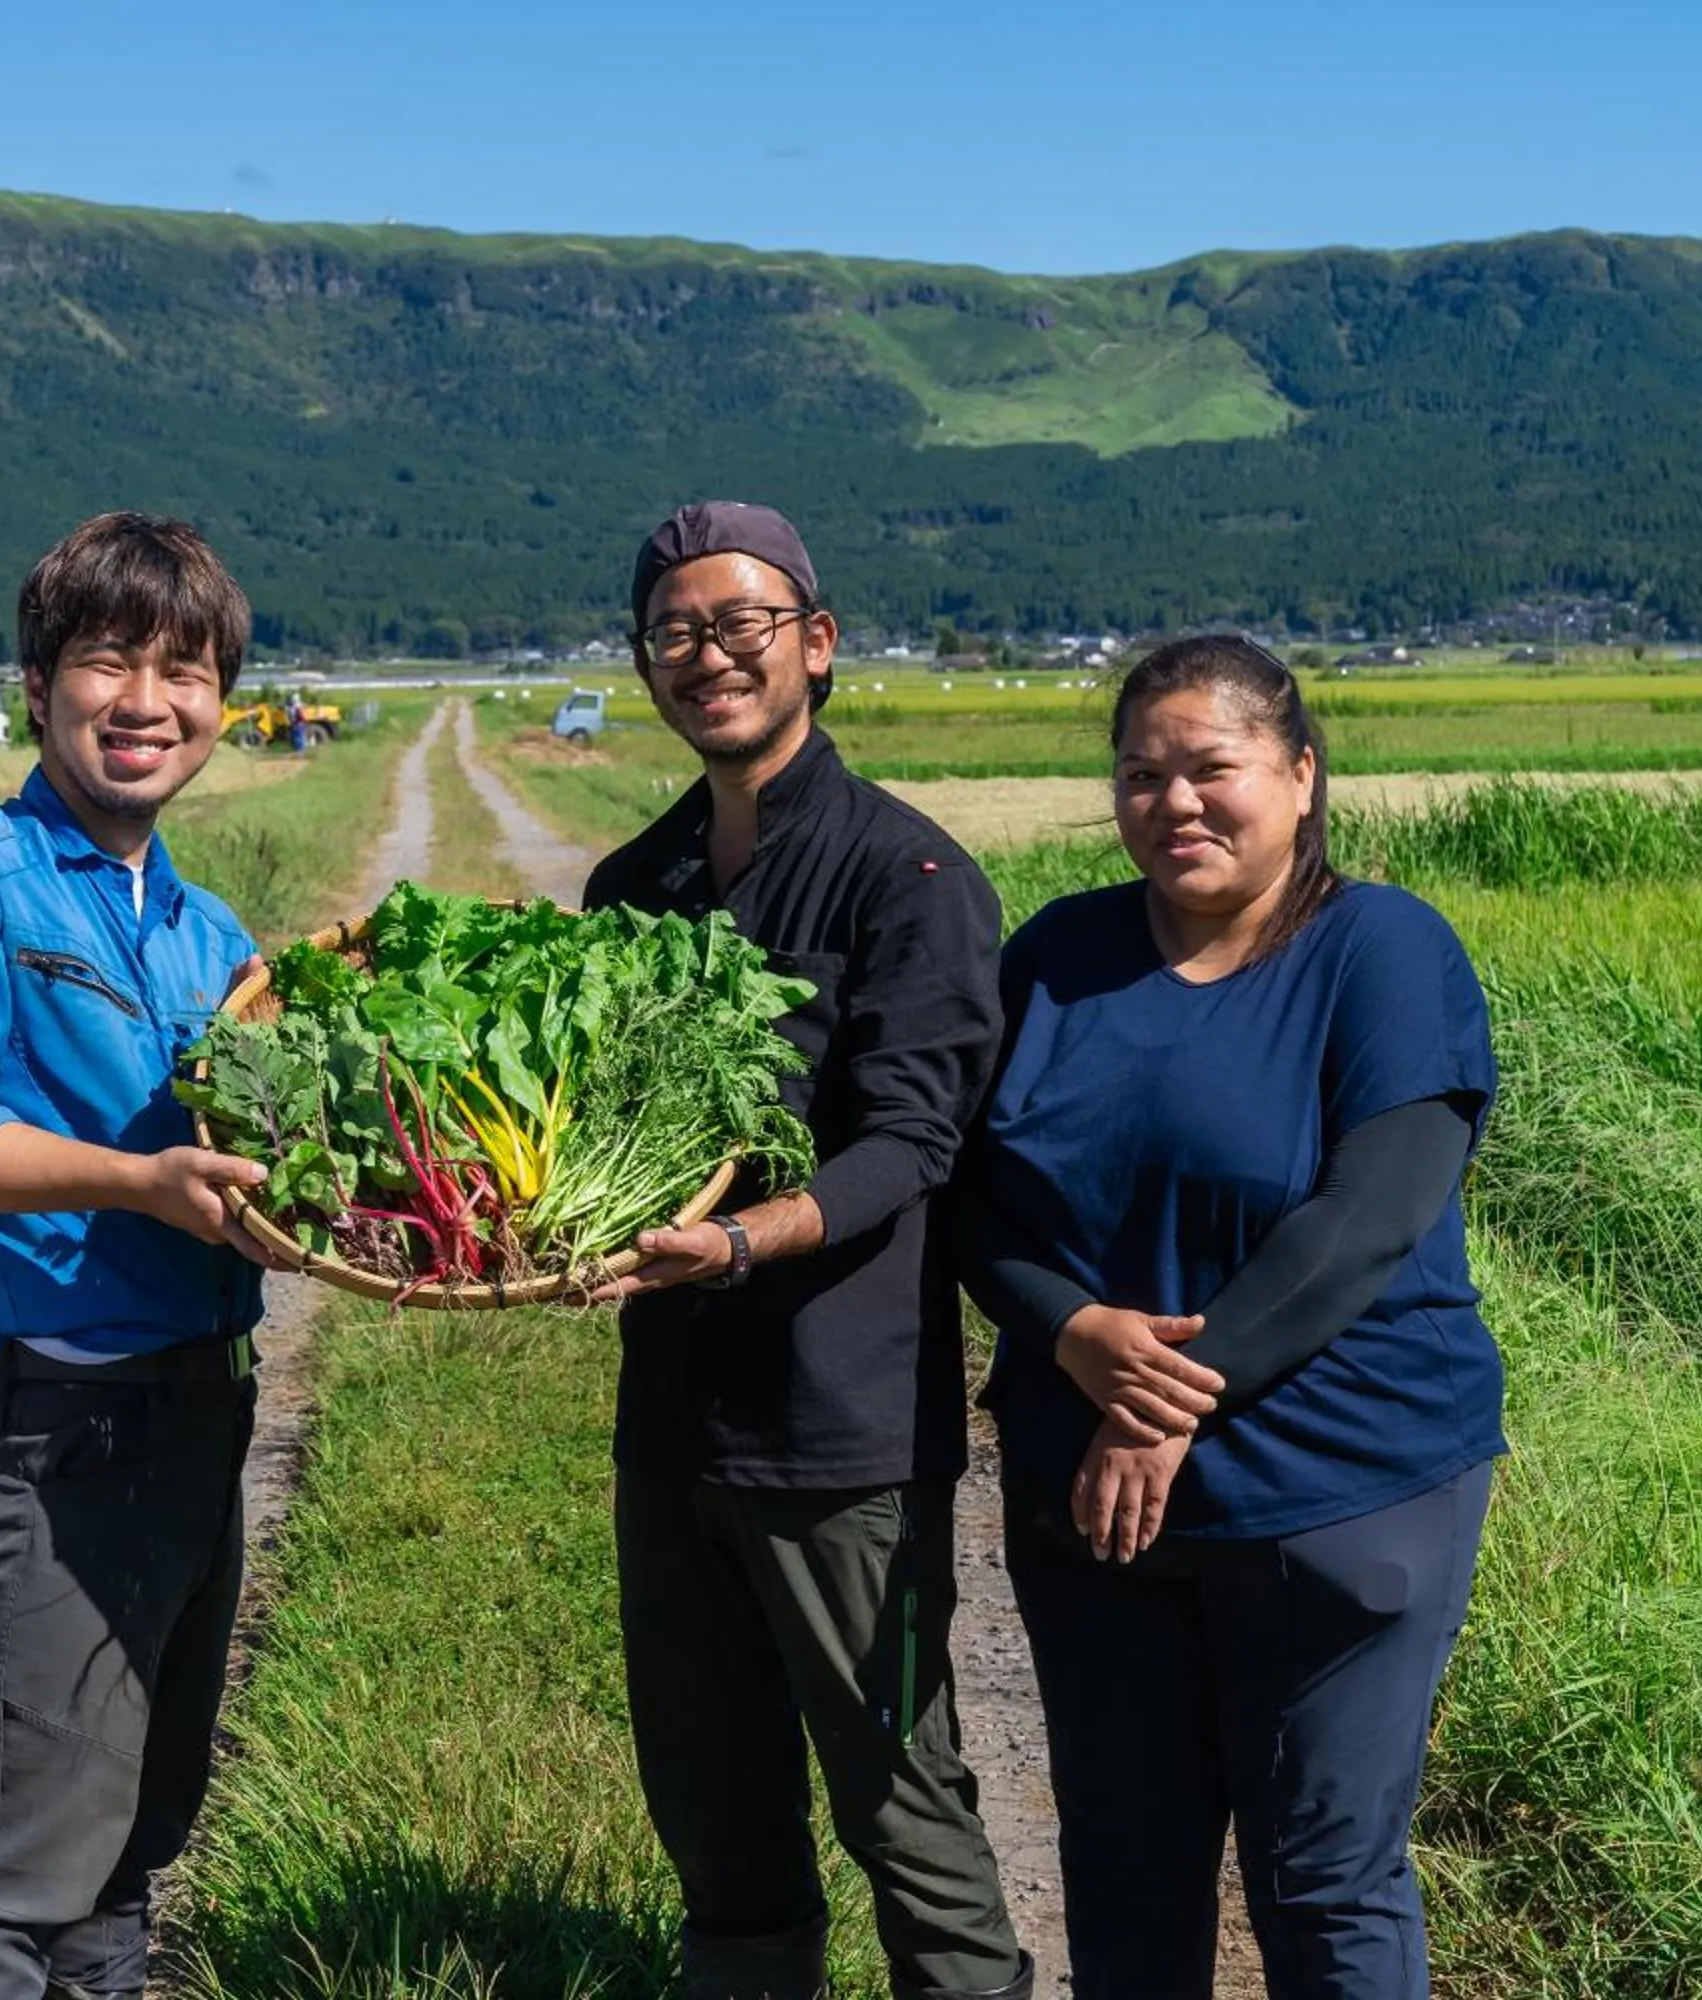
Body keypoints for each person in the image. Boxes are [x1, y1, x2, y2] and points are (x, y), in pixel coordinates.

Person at [955, 635, 1501, 2000]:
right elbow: (969, 1193)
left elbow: (1367, 1218)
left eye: (1212, 767)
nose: (1175, 802)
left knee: (1322, 1879)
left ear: (1301, 775)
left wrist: (1160, 1406)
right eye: (1142, 775)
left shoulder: (1382, 951)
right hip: (1092, 1506)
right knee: (1124, 1871)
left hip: (1336, 1487)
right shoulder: (1059, 956)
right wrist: (1071, 1331)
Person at [584, 501, 1034, 2000]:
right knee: (712, 1809)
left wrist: (734, 1244)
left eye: (740, 625)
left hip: (843, 1434)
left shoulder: (909, 878)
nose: (706, 656)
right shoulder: (632, 887)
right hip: (673, 1425)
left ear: (816, 645)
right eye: (674, 632)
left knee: (902, 1801)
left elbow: (912, 1146)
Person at [0, 512, 286, 2000]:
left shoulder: (211, 934)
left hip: (202, 1409)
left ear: (222, 704)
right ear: (38, 687)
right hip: (60, 1422)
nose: (146, 702)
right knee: (17, 1866)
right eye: (109, 662)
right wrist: (139, 1185)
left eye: (185, 672)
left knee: (131, 1841)